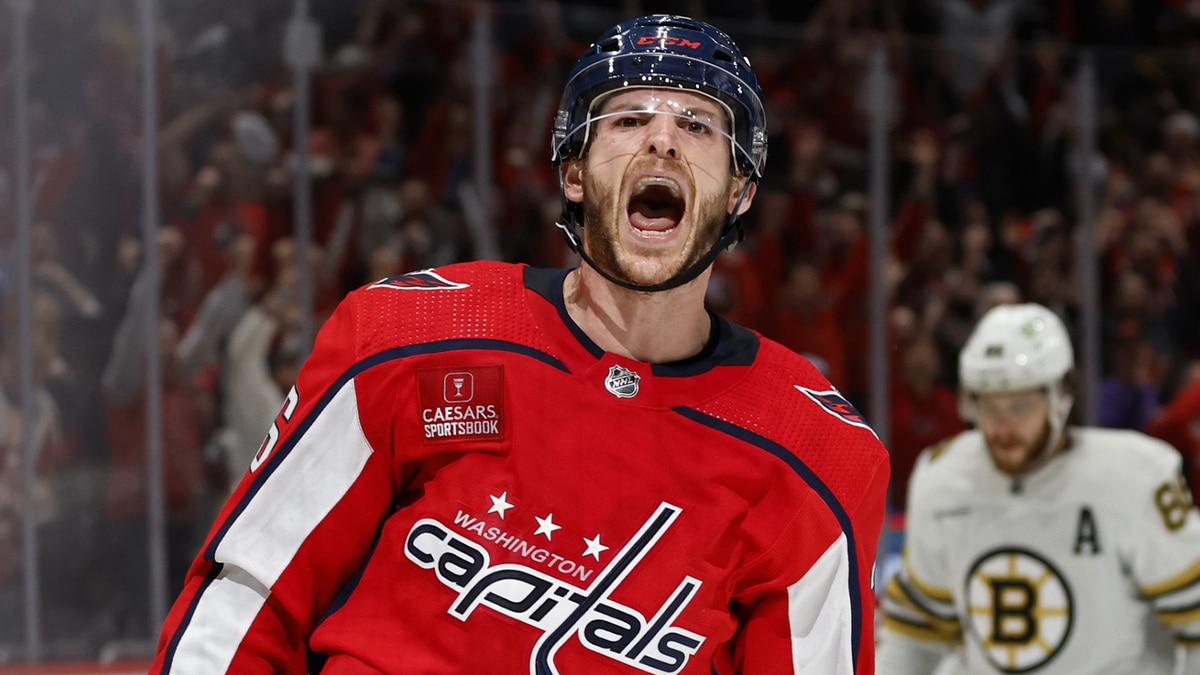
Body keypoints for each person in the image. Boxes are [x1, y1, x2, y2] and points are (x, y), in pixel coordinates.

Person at [150, 15, 889, 674]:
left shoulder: (814, 456)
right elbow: (252, 591)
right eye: (628, 119)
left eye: (699, 126)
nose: (662, 137)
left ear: (739, 192)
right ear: (573, 171)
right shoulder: (412, 338)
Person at [876, 302, 1200, 674]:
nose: (1002, 426)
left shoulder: (1137, 478)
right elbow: (917, 634)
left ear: (1058, 399)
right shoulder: (945, 479)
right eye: (989, 406)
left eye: (1019, 405)